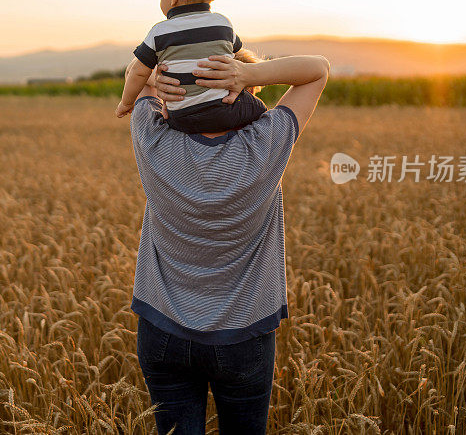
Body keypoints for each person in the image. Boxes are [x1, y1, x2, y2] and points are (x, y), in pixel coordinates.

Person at [127, 52, 330, 434]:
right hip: (244, 335)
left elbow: (142, 78)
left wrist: (171, 74)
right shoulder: (264, 144)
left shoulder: (152, 138)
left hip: (162, 330)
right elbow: (317, 70)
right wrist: (248, 72)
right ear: (245, 92)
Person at [115, 0, 268, 133]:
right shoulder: (223, 24)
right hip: (223, 112)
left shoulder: (159, 32)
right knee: (260, 110)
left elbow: (137, 72)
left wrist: (125, 102)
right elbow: (238, 57)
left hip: (179, 118)